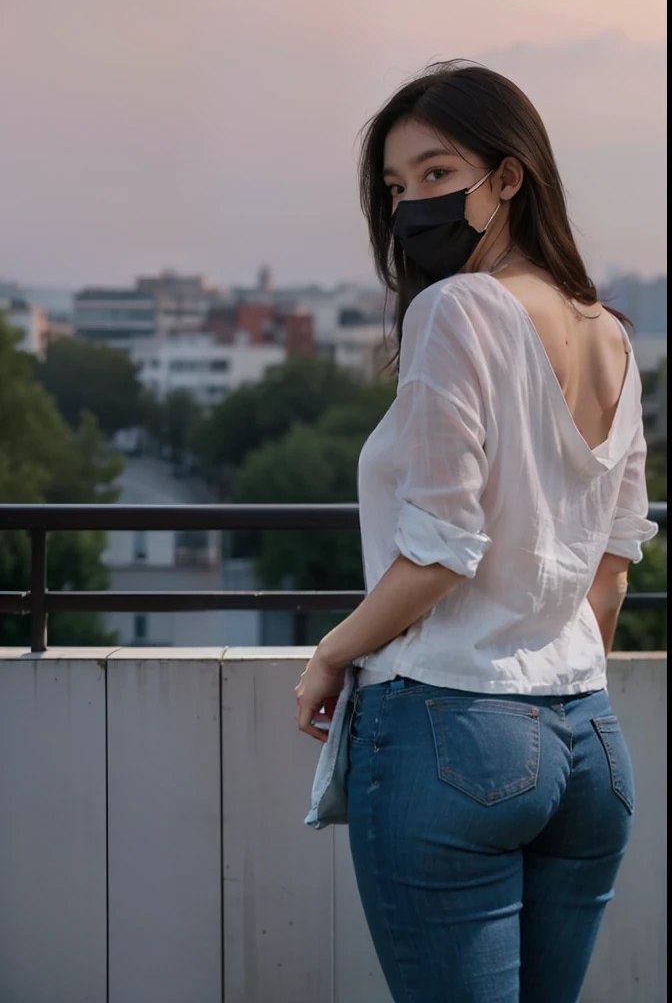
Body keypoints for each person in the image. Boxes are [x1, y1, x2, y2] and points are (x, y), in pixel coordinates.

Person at [294, 61, 658, 1003]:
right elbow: (612, 568)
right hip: (588, 744)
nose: (412, 203)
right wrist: (550, 691)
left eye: (436, 174)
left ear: (509, 178)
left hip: (451, 727)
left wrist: (331, 654)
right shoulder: (611, 334)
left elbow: (442, 548)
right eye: (395, 187)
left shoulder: (456, 309)